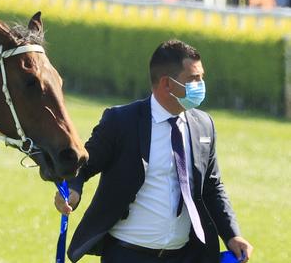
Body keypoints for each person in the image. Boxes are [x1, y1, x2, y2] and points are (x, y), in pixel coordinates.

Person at [54, 40, 253, 263]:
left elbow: (212, 186)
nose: (200, 85)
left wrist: (232, 234)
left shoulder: (204, 125)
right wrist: (73, 189)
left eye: (201, 77)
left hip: (186, 255)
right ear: (167, 83)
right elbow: (85, 165)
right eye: (193, 79)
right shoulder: (121, 121)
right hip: (126, 254)